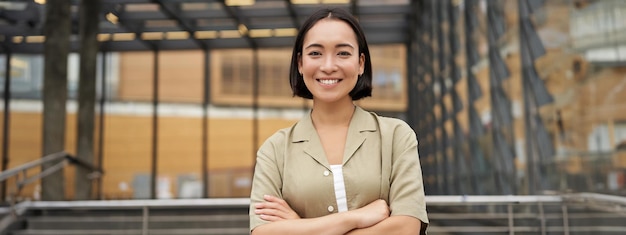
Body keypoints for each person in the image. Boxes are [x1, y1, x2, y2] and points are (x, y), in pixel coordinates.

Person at [249, 7, 428, 235]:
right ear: (300, 63)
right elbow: (263, 232)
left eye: (343, 53)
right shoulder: (275, 150)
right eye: (315, 53)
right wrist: (356, 218)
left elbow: (406, 228)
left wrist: (299, 226)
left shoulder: (396, 136)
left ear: (361, 63)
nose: (328, 66)